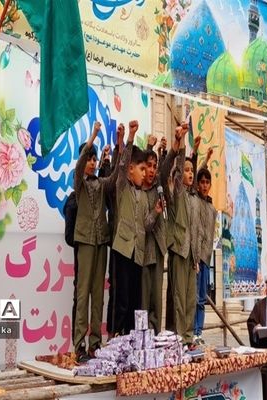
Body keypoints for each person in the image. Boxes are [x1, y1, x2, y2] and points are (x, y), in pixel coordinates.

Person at [72, 121, 121, 360]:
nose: (91, 162)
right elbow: (79, 165)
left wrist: (121, 146)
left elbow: (113, 179)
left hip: (102, 242)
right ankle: (79, 345)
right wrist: (92, 136)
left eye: (94, 159)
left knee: (97, 296)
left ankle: (95, 343)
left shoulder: (100, 184)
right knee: (83, 295)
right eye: (89, 159)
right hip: (85, 242)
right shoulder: (79, 184)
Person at [110, 120, 163, 336]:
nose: (144, 173)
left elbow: (147, 226)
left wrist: (156, 212)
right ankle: (114, 338)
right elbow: (121, 166)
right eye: (141, 169)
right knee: (120, 299)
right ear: (131, 170)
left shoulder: (143, 196)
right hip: (122, 249)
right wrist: (130, 137)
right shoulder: (122, 186)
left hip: (138, 253)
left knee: (134, 300)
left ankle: (131, 340)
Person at [166, 123, 200, 345]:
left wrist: (195, 154)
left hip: (191, 255)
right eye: (186, 171)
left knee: (190, 298)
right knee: (178, 297)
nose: (189, 174)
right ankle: (178, 336)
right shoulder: (178, 193)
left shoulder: (193, 197)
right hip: (178, 249)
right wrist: (182, 148)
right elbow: (178, 171)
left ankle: (188, 336)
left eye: (191, 171)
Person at [140, 134, 175, 334]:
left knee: (157, 302)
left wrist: (173, 144)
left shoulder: (158, 188)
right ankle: (143, 338)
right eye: (149, 166)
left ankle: (155, 338)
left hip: (159, 249)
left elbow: (166, 167)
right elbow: (144, 225)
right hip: (143, 252)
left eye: (154, 166)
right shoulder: (137, 192)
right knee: (144, 300)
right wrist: (155, 212)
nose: (152, 170)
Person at [193, 147, 217, 345]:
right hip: (195, 257)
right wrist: (206, 159)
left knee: (202, 298)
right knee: (193, 297)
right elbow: (193, 178)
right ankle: (192, 331)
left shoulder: (212, 208)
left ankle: (199, 333)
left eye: (207, 182)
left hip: (206, 258)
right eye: (201, 182)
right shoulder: (194, 199)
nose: (204, 185)